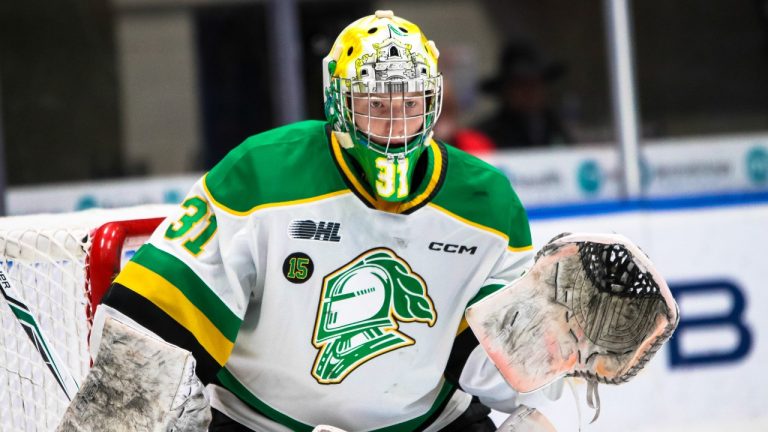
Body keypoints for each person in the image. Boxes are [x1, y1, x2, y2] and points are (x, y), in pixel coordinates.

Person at [95, 11, 536, 431]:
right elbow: (156, 315)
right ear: (338, 101)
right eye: (376, 103)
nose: (395, 125)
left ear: (434, 99)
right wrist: (129, 410)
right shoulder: (263, 173)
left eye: (410, 102)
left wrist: (555, 356)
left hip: (429, 424)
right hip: (261, 424)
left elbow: (497, 364)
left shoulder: (488, 203)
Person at [475, 42, 572, 149]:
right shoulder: (484, 137)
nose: (529, 91)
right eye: (521, 84)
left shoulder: (560, 129)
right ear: (506, 91)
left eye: (534, 83)